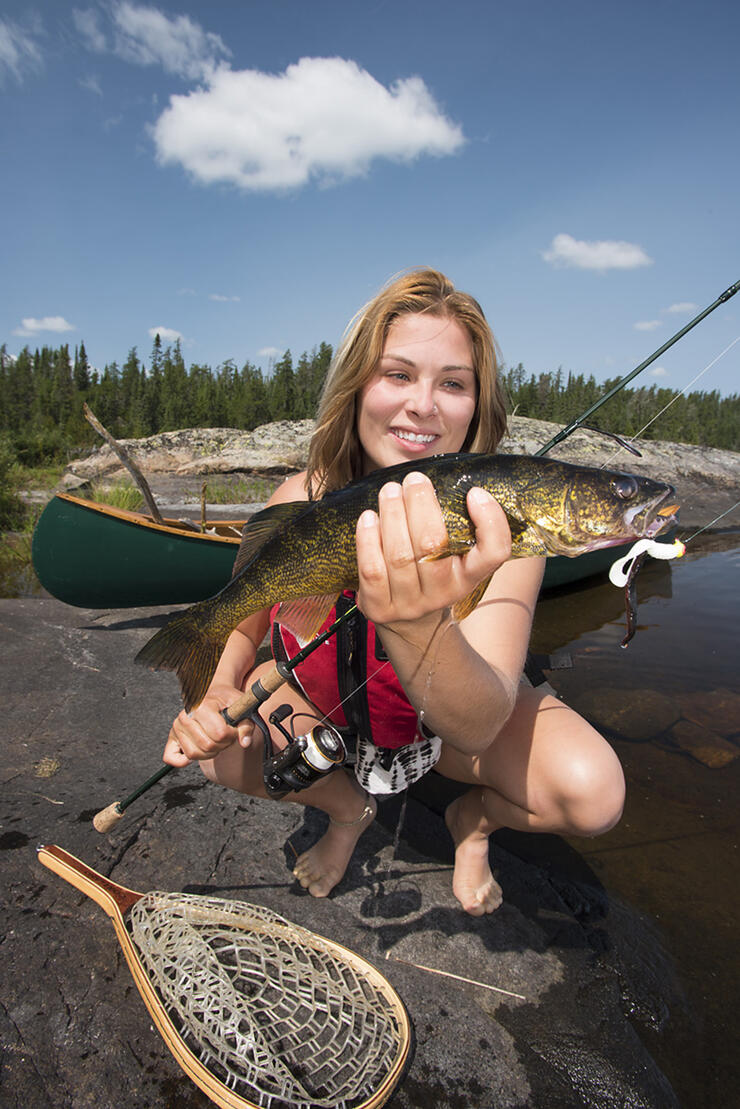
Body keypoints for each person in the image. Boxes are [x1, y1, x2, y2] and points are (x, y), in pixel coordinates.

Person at [163, 269, 625, 916]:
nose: (424, 404)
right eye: (398, 374)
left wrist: (416, 624)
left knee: (593, 789)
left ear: (476, 405)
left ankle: (474, 822)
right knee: (222, 751)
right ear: (356, 387)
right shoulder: (302, 499)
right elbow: (243, 614)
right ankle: (345, 807)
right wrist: (215, 692)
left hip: (445, 741)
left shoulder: (504, 527)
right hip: (332, 720)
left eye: (454, 383)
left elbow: (483, 720)